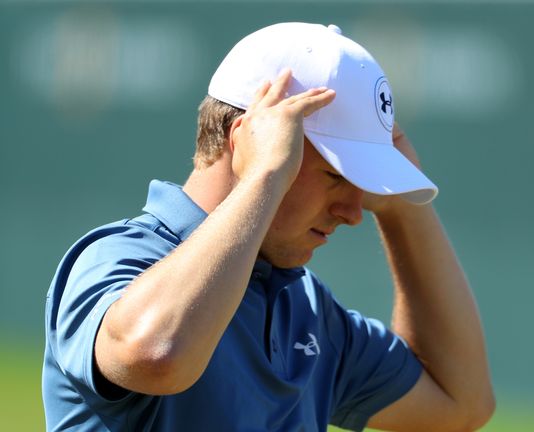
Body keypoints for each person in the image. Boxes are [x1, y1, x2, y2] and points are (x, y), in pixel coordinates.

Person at [42, 22, 494, 431]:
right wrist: (264, 178)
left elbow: (461, 402)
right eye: (336, 176)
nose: (354, 212)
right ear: (247, 142)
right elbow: (159, 355)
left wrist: (401, 206)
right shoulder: (117, 258)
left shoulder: (308, 310)